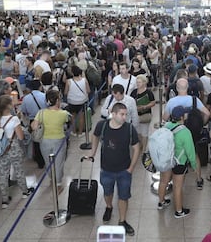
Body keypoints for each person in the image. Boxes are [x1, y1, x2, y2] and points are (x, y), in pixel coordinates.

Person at [89, 103, 140, 236]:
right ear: (113, 114)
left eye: (126, 114)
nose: (124, 117)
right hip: (106, 169)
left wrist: (131, 168)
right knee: (107, 192)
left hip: (124, 170)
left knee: (124, 196)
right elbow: (95, 136)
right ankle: (109, 206)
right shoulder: (102, 125)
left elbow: (136, 148)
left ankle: (122, 221)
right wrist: (93, 152)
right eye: (122, 114)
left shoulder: (129, 128)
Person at [157, 106, 197, 218]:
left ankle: (161, 202)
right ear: (182, 117)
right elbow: (190, 152)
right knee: (177, 187)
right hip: (179, 162)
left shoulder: (166, 126)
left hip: (166, 159)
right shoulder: (185, 132)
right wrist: (193, 165)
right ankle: (179, 211)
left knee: (163, 181)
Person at [0, 95, 34, 209]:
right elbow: (21, 137)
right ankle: (24, 192)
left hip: (0, 150)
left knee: (3, 173)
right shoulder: (14, 119)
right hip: (13, 148)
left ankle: (4, 199)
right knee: (19, 170)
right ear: (8, 105)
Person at [31, 90, 70, 194]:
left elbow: (34, 126)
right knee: (59, 163)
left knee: (48, 162)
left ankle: (52, 178)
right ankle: (58, 184)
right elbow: (67, 122)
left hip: (44, 141)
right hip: (59, 140)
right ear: (57, 100)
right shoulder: (63, 113)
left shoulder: (41, 112)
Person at [20, 80, 47, 168]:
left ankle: (40, 161)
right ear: (40, 87)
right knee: (45, 139)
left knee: (36, 141)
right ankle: (48, 158)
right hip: (44, 119)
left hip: (33, 121)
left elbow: (24, 111)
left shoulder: (26, 98)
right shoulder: (44, 96)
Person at [130, 74, 155, 152]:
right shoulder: (134, 92)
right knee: (138, 132)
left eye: (139, 82)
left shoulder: (148, 92)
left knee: (144, 132)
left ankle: (144, 148)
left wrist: (145, 107)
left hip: (145, 115)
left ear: (144, 83)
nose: (137, 84)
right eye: (137, 82)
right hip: (135, 115)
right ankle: (140, 144)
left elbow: (153, 102)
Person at [64, 65, 90, 137]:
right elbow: (88, 90)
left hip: (72, 101)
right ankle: (80, 133)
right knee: (81, 117)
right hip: (82, 101)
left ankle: (74, 131)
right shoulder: (84, 80)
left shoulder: (68, 81)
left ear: (72, 73)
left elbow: (65, 92)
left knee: (73, 116)